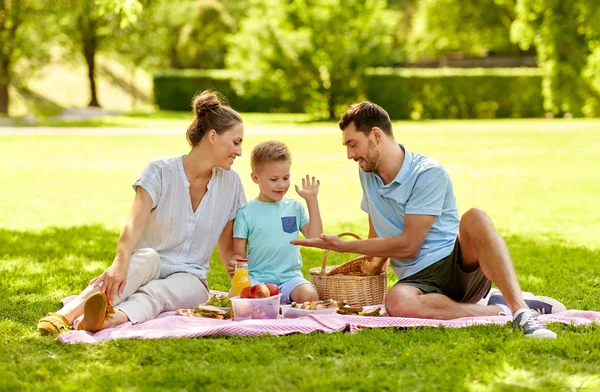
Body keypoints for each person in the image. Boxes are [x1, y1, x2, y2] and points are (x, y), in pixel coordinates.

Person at [291, 102, 566, 339]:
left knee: (475, 218)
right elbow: (377, 236)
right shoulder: (367, 173)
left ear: (375, 135)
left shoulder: (427, 173)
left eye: (353, 144)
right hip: (418, 281)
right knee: (396, 301)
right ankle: (497, 309)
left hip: (455, 266)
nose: (349, 155)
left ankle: (520, 312)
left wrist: (345, 246)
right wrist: (359, 274)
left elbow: (410, 246)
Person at [37, 91, 246, 334]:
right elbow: (134, 224)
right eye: (236, 142)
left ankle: (106, 320)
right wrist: (119, 263)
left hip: (191, 278)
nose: (239, 152)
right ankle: (67, 314)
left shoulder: (231, 184)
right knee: (144, 259)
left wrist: (240, 279)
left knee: (159, 293)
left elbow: (228, 245)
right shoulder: (159, 172)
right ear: (212, 136)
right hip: (149, 262)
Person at [231, 140, 322, 304]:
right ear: (255, 178)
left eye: (286, 177)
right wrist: (235, 265)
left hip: (290, 279)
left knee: (310, 296)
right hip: (257, 279)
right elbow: (238, 253)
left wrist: (311, 200)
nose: (281, 185)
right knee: (239, 298)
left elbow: (315, 239)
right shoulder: (245, 213)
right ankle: (274, 302)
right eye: (274, 179)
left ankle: (277, 300)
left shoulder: (295, 207)